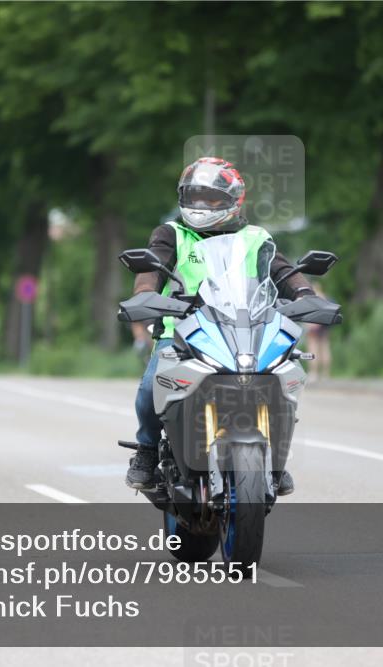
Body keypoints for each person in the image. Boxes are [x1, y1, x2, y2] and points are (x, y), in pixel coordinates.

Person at [126, 156, 315, 492]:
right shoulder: (172, 233)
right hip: (182, 332)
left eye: (211, 198)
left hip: (247, 329)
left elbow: (283, 272)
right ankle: (147, 450)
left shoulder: (256, 238)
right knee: (148, 388)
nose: (201, 205)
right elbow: (151, 269)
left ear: (233, 200)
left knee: (278, 380)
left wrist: (305, 295)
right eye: (194, 196)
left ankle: (273, 459)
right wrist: (145, 294)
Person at [305, 282, 332, 381]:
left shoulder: (312, 298)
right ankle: (326, 373)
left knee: (313, 349)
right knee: (325, 348)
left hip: (314, 327)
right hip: (324, 327)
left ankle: (314, 373)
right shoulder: (324, 297)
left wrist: (309, 326)